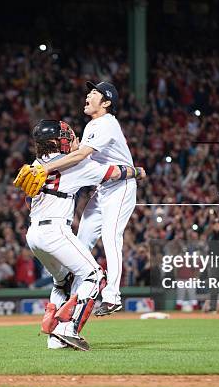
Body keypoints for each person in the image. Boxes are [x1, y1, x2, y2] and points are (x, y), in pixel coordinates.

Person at [17, 119, 145, 350]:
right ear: (56, 142)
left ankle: (54, 335)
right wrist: (137, 171)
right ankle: (68, 328)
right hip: (55, 230)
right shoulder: (75, 165)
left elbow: (28, 200)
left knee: (63, 281)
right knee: (95, 275)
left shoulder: (35, 164)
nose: (71, 139)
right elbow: (113, 172)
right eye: (66, 136)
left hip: (34, 233)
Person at [29, 82, 137, 316]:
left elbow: (80, 155)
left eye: (95, 93)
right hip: (104, 186)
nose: (88, 94)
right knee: (82, 241)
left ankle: (112, 295)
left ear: (106, 103)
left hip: (121, 185)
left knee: (111, 236)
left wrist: (45, 168)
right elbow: (79, 160)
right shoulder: (91, 126)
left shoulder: (106, 123)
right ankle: (73, 296)